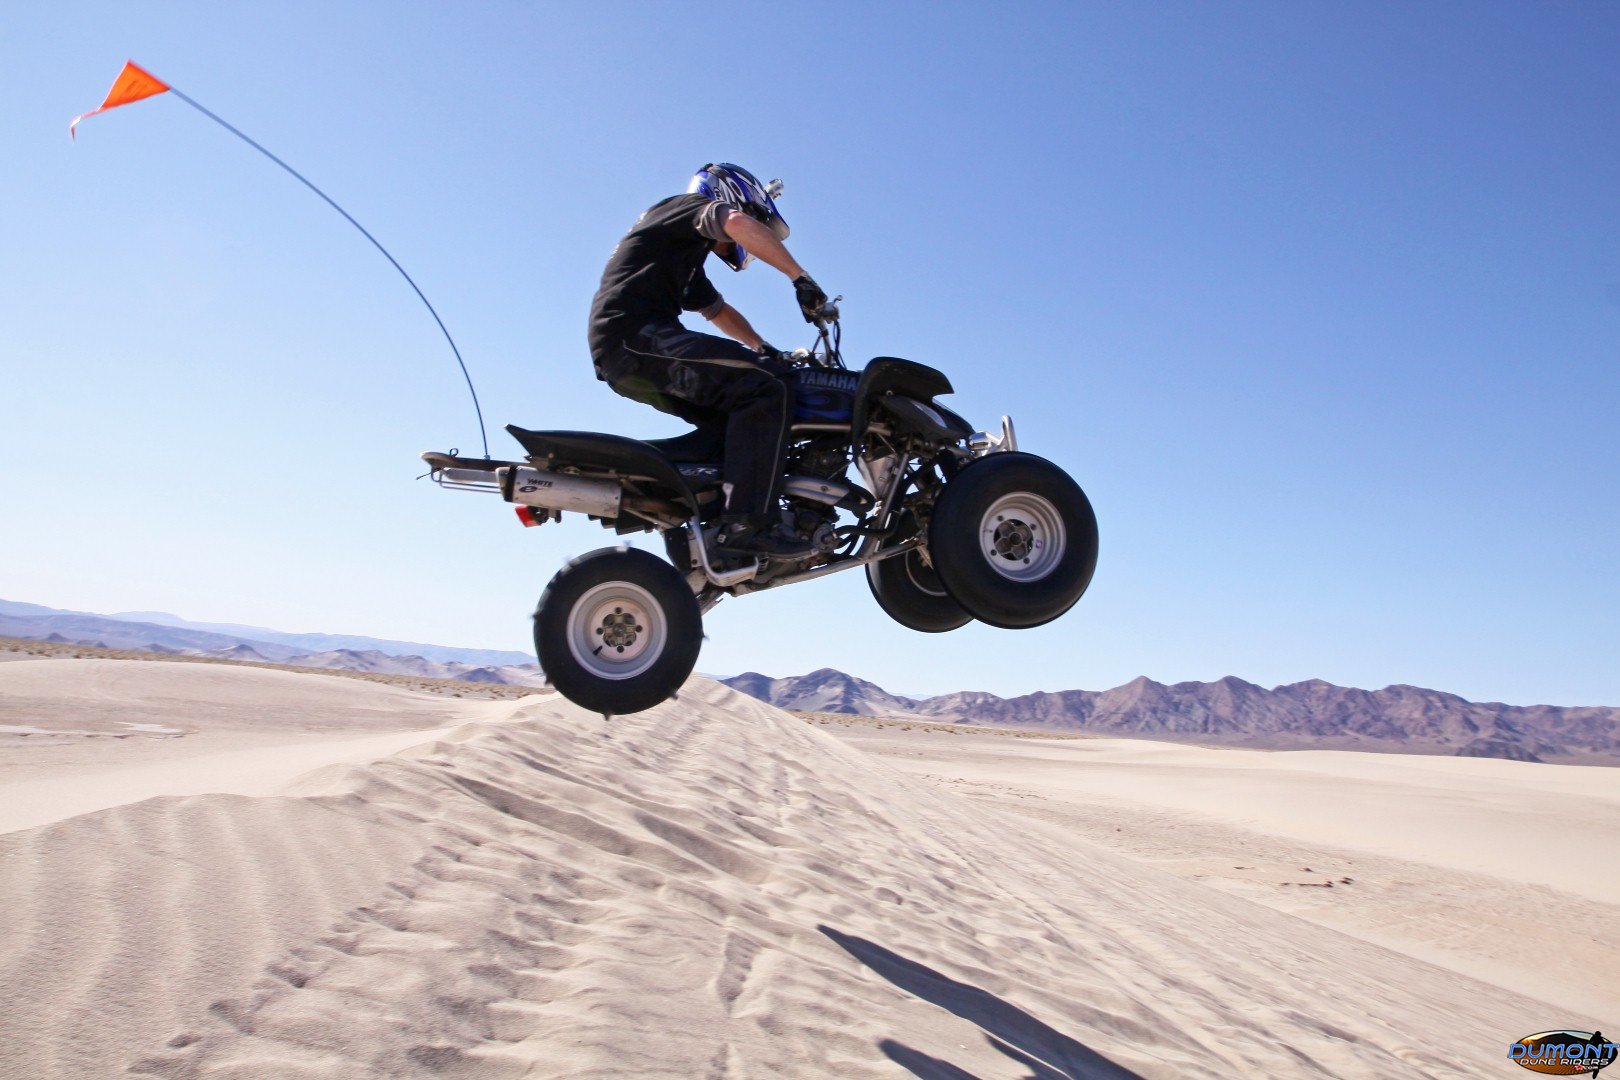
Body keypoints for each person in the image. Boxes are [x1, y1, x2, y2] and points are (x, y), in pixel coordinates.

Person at [588, 163, 829, 557]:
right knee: (768, 387)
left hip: (628, 350)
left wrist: (763, 348)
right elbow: (733, 222)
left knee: (734, 419)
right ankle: (748, 524)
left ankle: (711, 523)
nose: (752, 233)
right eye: (757, 218)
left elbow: (716, 310)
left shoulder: (680, 251)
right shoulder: (685, 208)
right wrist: (799, 277)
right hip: (634, 338)